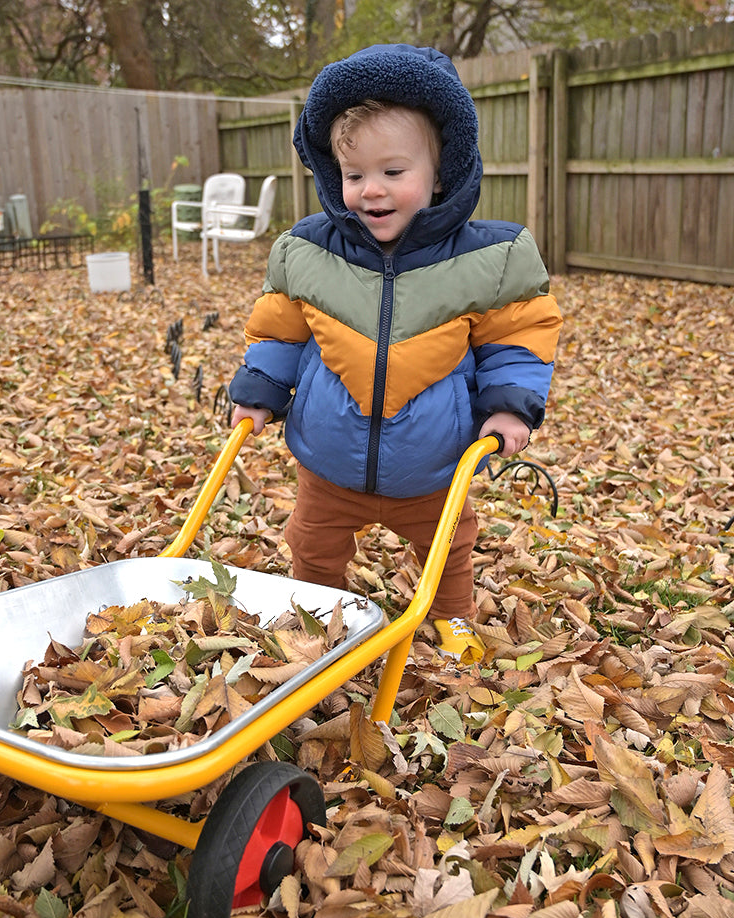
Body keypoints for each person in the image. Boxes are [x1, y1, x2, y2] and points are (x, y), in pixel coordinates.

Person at [228, 43, 562, 664]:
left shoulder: (490, 258)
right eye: (353, 176)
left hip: (433, 461)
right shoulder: (307, 251)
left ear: (440, 175)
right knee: (313, 542)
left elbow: (517, 335)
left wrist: (511, 407)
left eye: (393, 172)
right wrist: (259, 392)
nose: (370, 192)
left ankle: (451, 614)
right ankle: (318, 611)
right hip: (329, 458)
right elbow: (279, 331)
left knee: (448, 544)